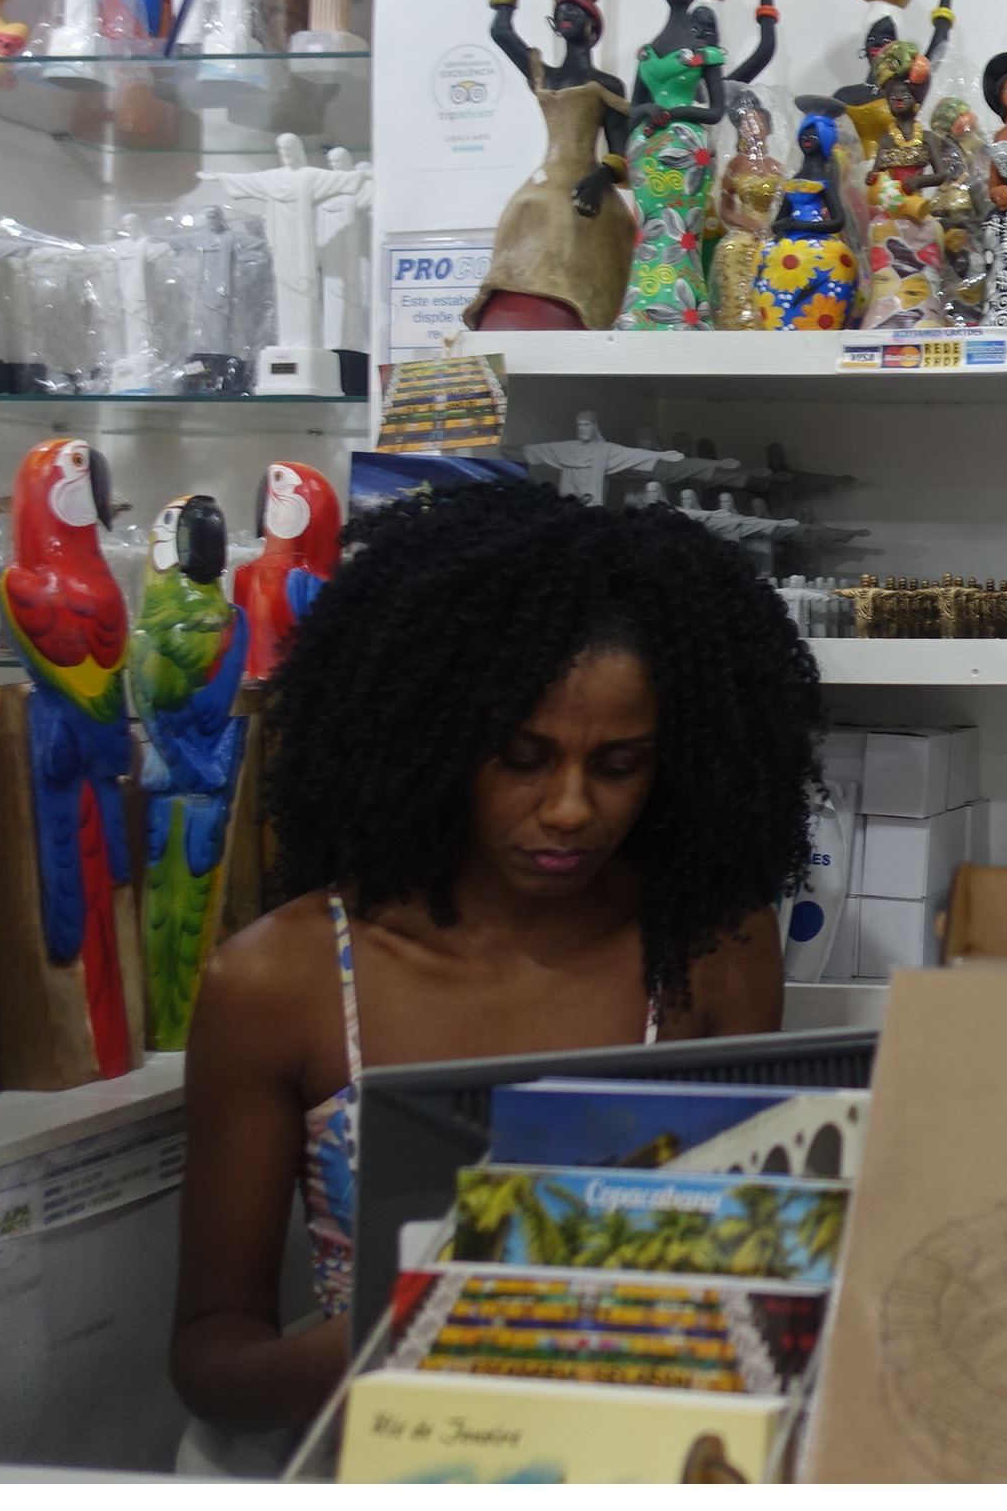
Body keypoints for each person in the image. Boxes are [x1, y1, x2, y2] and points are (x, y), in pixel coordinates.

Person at [171, 480, 824, 1435]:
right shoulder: (279, 982)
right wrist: (372, 1348)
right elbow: (212, 1353)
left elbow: (756, 1277)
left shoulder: (712, 950)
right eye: (521, 757)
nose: (570, 808)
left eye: (619, 765)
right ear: (430, 739)